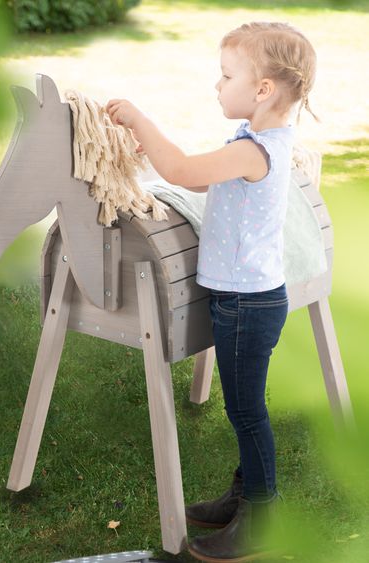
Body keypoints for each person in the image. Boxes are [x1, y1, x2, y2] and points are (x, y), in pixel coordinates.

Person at [105, 21, 318, 562]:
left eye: (226, 76)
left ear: (263, 89)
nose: (216, 86)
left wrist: (138, 118)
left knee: (246, 412)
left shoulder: (255, 151)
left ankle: (261, 515)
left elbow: (180, 169)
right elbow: (192, 179)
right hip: (245, 299)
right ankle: (243, 496)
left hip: (247, 303)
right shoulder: (257, 142)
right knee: (244, 408)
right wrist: (145, 149)